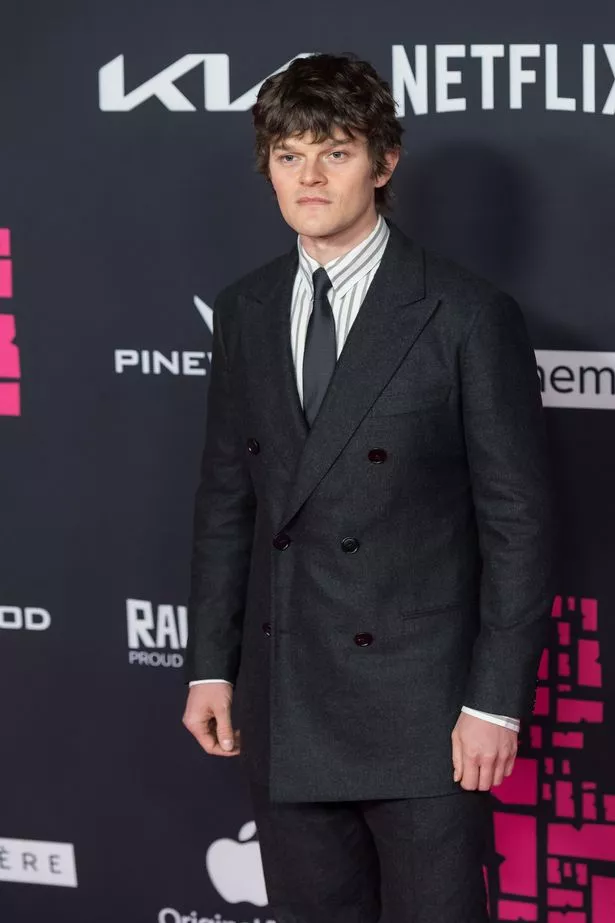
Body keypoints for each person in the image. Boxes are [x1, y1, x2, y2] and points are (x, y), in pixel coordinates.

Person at [182, 52, 553, 923]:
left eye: (335, 151)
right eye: (287, 153)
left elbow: (518, 523)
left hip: (425, 713)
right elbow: (225, 501)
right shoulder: (244, 308)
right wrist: (209, 667)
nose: (308, 176)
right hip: (286, 697)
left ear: (383, 164)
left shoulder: (464, 313)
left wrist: (493, 701)